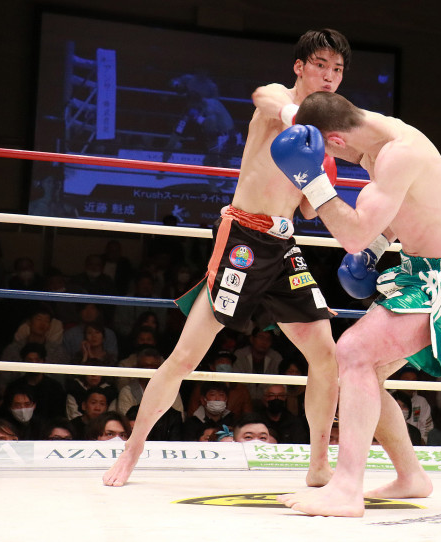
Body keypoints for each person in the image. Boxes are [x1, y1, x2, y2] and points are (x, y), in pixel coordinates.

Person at [103, 29, 351, 488]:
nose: (329, 75)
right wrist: (298, 122)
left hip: (285, 246)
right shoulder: (279, 101)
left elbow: (307, 210)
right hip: (243, 241)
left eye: (337, 69)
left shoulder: (320, 134)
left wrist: (321, 173)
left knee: (326, 355)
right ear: (300, 67)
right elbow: (264, 96)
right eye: (320, 64)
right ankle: (132, 451)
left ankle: (319, 463)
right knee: (185, 357)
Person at [270, 91, 441, 517]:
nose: (332, 158)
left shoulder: (398, 154)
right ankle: (411, 477)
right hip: (415, 270)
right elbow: (403, 209)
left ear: (336, 141)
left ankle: (347, 489)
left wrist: (313, 181)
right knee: (367, 373)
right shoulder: (370, 134)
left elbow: (352, 236)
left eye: (329, 151)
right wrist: (379, 246)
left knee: (352, 351)